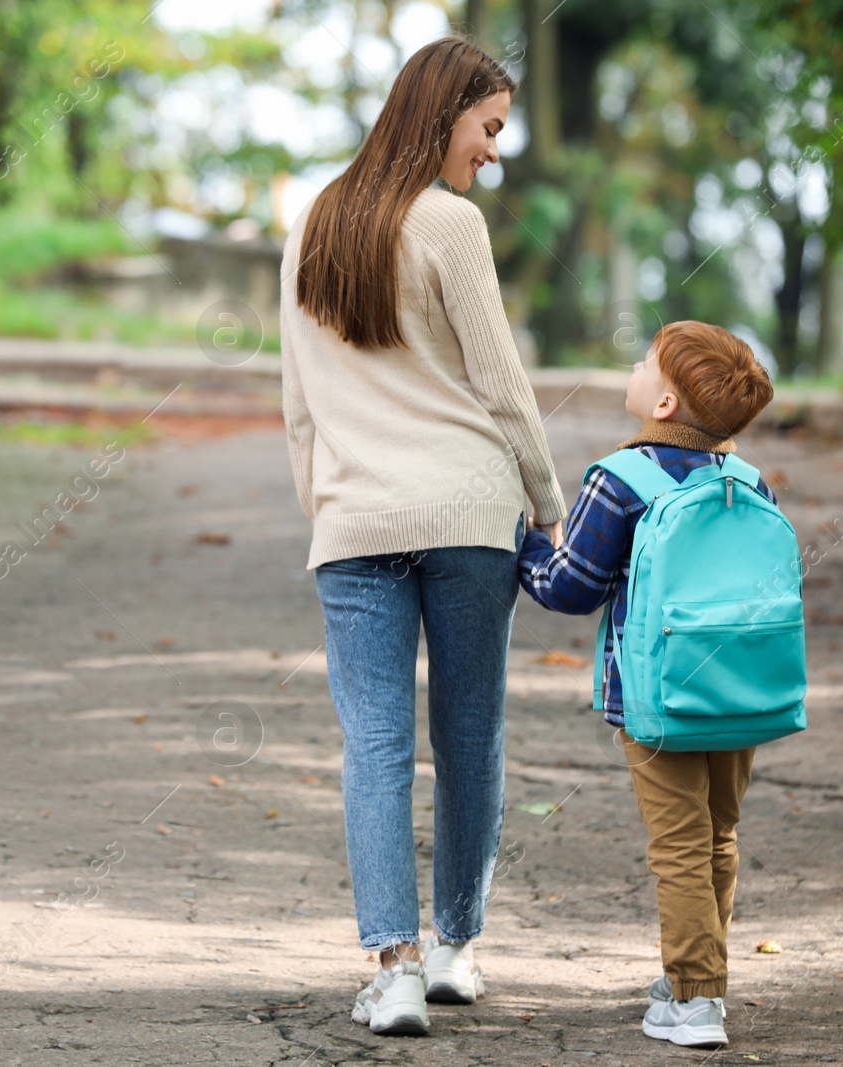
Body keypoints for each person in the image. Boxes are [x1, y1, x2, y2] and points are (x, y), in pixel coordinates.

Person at [279, 37, 567, 1037]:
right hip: (467, 515)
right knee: (470, 729)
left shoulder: (315, 220)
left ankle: (393, 967)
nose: (493, 150)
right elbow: (499, 382)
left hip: (354, 521)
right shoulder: (451, 225)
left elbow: (297, 406)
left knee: (375, 739)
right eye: (487, 126)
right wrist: (548, 498)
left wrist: (325, 509)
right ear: (441, 111)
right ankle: (454, 946)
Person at [517, 321, 778, 1050]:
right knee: (717, 834)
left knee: (679, 844)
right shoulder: (749, 482)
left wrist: (528, 548)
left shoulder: (619, 478)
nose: (633, 366)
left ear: (663, 402)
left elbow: (572, 586)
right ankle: (699, 976)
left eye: (644, 362)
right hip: (742, 692)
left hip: (657, 697)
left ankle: (696, 998)